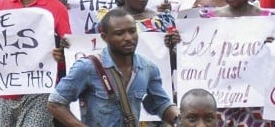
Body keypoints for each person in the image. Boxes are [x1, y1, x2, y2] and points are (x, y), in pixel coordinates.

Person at [48, 8, 180, 127]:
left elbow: (161, 104)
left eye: (132, 31)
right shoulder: (87, 67)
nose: (128, 38)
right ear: (105, 37)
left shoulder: (148, 68)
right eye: (119, 33)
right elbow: (55, 103)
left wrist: (179, 121)